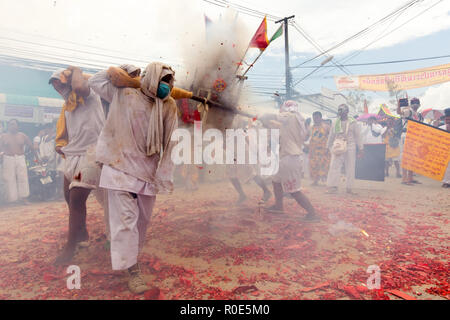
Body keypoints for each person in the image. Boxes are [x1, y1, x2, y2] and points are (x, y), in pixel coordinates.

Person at [88, 62, 179, 294]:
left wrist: (164, 175)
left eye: (170, 81)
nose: (167, 86)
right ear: (150, 78)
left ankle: (130, 257)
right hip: (120, 167)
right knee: (126, 220)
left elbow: (171, 142)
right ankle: (132, 269)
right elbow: (95, 81)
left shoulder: (168, 106)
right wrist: (128, 74)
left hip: (147, 171)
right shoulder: (124, 93)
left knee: (142, 222)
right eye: (163, 80)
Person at [49, 66, 106, 265]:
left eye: (59, 82)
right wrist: (61, 145)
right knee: (68, 197)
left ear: (70, 81)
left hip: (90, 155)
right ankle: (82, 236)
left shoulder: (90, 94)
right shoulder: (67, 105)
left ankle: (69, 248)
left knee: (76, 201)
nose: (57, 88)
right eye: (54, 85)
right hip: (72, 155)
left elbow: (79, 85)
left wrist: (75, 70)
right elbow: (64, 131)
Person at [259, 100, 319, 222]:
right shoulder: (296, 120)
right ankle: (279, 206)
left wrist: (261, 116)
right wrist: (265, 122)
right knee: (276, 181)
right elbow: (276, 127)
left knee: (294, 191)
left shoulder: (290, 116)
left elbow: (270, 116)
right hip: (285, 157)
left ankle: (313, 214)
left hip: (290, 158)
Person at [326, 104, 363, 194]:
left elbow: (358, 136)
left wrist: (361, 148)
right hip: (338, 145)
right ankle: (333, 186)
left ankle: (349, 188)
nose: (341, 113)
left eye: (342, 111)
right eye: (339, 111)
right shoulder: (335, 122)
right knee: (334, 165)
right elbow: (331, 135)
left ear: (347, 112)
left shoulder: (353, 122)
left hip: (350, 145)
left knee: (350, 166)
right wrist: (328, 146)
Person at [0, 119, 39, 204]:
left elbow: (31, 147)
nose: (12, 126)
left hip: (20, 158)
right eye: (10, 124)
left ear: (18, 126)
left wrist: (37, 158)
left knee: (23, 178)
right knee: (9, 179)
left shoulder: (22, 135)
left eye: (13, 124)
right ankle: (12, 200)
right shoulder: (3, 136)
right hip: (8, 158)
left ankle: (24, 198)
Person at [396, 97, 423, 185]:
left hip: (415, 136)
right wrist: (399, 105)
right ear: (411, 104)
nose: (416, 104)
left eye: (417, 102)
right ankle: (404, 178)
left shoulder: (418, 114)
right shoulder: (408, 111)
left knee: (412, 157)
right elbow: (399, 112)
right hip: (406, 134)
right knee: (406, 156)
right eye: (414, 102)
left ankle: (410, 177)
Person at [308, 111, 331, 186]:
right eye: (314, 118)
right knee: (313, 165)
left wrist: (329, 147)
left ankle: (325, 180)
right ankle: (315, 181)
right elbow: (309, 137)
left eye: (317, 118)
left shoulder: (326, 127)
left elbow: (331, 137)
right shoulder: (311, 127)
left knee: (324, 165)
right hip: (313, 150)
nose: (315, 119)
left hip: (323, 150)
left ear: (320, 118)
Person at [440, 108, 450, 188]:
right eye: (446, 119)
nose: (448, 120)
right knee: (445, 166)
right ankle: (446, 182)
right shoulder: (441, 127)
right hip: (444, 150)